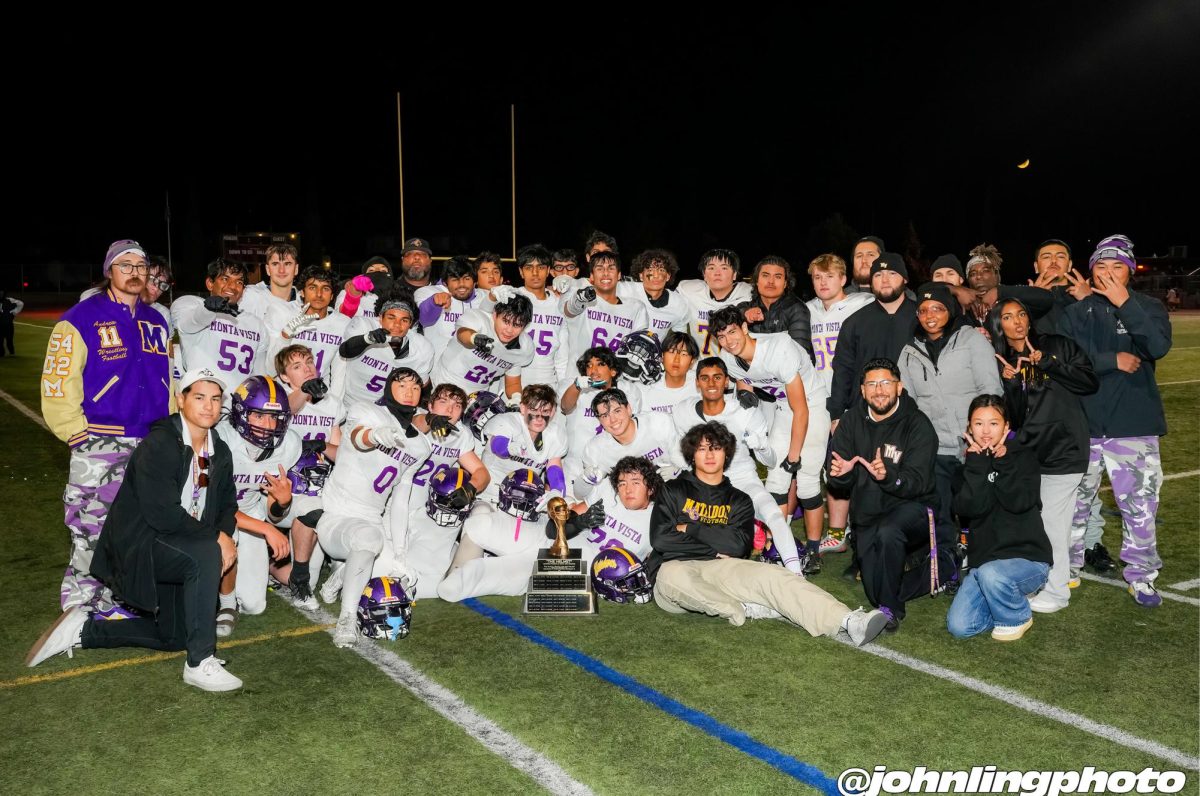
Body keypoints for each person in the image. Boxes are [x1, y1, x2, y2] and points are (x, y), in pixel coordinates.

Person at [25, 368, 243, 691]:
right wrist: (217, 538)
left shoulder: (219, 450)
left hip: (178, 545)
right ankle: (199, 662)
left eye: (215, 399)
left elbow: (227, 503)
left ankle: (85, 631)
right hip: (141, 546)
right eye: (199, 397)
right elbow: (163, 515)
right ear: (180, 400)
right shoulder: (161, 443)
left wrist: (224, 532)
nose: (209, 406)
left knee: (175, 636)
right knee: (207, 552)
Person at [646, 422, 888, 645]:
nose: (709, 455)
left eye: (716, 448)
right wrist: (713, 548)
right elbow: (661, 539)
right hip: (675, 572)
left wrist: (689, 528)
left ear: (727, 453)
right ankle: (740, 608)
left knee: (775, 575)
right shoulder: (673, 490)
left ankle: (849, 621)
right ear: (692, 454)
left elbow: (737, 546)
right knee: (671, 574)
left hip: (721, 569)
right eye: (702, 449)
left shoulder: (739, 499)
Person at [42, 239, 173, 611]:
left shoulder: (156, 319)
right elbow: (57, 380)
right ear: (109, 271)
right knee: (90, 526)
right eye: (125, 265)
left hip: (148, 442)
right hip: (100, 441)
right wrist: (76, 432)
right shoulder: (81, 317)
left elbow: (167, 378)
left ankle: (121, 595)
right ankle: (80, 604)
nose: (134, 272)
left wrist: (169, 429)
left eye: (140, 266)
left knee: (137, 526)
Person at [1059, 240, 1172, 607]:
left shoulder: (1148, 307)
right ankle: (1068, 568)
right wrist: (1111, 358)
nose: (1108, 272)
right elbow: (1065, 361)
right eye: (1101, 265)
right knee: (1074, 504)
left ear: (1130, 271)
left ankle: (1142, 576)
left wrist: (1126, 304)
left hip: (1133, 427)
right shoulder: (1079, 310)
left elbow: (1156, 347)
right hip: (1085, 426)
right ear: (1091, 269)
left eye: (1117, 266)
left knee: (1140, 509)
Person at [989, 297, 1097, 612]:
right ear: (999, 325)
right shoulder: (1001, 360)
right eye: (1007, 317)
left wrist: (1047, 362)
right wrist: (1011, 385)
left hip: (1065, 449)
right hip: (1031, 454)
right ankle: (1047, 584)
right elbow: (1018, 418)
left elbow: (1089, 382)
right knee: (1045, 522)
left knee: (1051, 521)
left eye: (1021, 314)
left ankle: (1057, 591)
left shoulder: (1057, 345)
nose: (1017, 321)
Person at [315, 367, 432, 646]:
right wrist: (375, 435)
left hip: (371, 520)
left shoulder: (421, 445)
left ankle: (341, 576)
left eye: (415, 387)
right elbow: (356, 436)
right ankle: (346, 618)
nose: (409, 391)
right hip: (337, 515)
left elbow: (400, 498)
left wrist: (401, 551)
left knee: (405, 580)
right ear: (389, 387)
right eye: (402, 385)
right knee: (368, 539)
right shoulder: (367, 410)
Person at [711, 306, 830, 570]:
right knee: (776, 478)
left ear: (744, 327)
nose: (729, 340)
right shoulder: (730, 357)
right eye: (721, 336)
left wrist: (794, 455)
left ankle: (813, 551)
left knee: (807, 479)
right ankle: (779, 543)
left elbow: (801, 409)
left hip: (810, 404)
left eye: (732, 332)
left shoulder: (779, 348)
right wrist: (744, 391)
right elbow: (744, 379)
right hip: (782, 407)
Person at [827, 358, 940, 632]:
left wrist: (890, 476)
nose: (879, 390)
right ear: (863, 391)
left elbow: (920, 483)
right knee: (875, 590)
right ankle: (936, 572)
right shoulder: (852, 420)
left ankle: (890, 612)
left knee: (889, 532)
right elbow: (837, 475)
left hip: (913, 509)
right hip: (868, 514)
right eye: (872, 384)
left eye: (886, 383)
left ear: (899, 387)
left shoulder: (918, 424)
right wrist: (841, 474)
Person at [897, 282, 1001, 565]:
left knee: (978, 507)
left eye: (938, 308)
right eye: (923, 309)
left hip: (974, 443)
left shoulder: (970, 339)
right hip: (936, 448)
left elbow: (990, 389)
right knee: (940, 511)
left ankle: (983, 562)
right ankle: (946, 564)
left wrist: (982, 436)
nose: (930, 315)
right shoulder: (909, 351)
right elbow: (908, 402)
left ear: (950, 310)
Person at [672, 358, 804, 574]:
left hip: (742, 480)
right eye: (705, 378)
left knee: (774, 515)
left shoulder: (746, 411)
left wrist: (761, 446)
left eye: (717, 377)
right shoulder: (683, 411)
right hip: (703, 485)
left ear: (727, 382)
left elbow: (770, 462)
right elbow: (680, 451)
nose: (711, 383)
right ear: (697, 383)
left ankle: (796, 575)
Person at [947, 395, 1052, 641]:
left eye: (993, 423)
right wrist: (977, 465)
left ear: (1006, 427)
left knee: (993, 574)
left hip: (1028, 561)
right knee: (960, 626)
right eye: (978, 423)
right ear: (968, 428)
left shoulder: (1024, 458)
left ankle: (1018, 615)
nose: (985, 431)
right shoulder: (965, 468)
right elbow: (970, 508)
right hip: (984, 566)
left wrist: (1003, 462)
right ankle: (1005, 594)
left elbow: (1018, 502)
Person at [210, 375, 300, 633]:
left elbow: (272, 514)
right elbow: (215, 506)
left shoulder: (288, 445)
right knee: (228, 534)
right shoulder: (220, 439)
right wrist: (267, 530)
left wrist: (281, 502)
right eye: (259, 416)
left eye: (274, 418)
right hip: (212, 517)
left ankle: (258, 572)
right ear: (240, 412)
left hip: (249, 511)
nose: (268, 425)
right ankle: (225, 602)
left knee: (254, 605)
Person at [805, 253, 872, 554]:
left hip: (850, 396)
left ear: (844, 279)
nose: (823, 282)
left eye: (829, 276)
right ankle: (837, 529)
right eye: (817, 277)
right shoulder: (806, 310)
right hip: (816, 396)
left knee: (851, 461)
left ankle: (856, 527)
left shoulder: (862, 305)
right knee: (826, 464)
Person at [827, 252, 917, 431]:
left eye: (892, 273)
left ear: (905, 279)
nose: (884, 280)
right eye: (878, 275)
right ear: (870, 282)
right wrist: (836, 414)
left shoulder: (922, 318)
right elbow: (842, 370)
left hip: (911, 415)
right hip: (864, 417)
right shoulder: (855, 322)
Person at [332, 289, 434, 409]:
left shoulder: (421, 347)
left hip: (390, 413)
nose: (397, 324)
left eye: (404, 320)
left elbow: (423, 387)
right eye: (391, 318)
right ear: (380, 317)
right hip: (351, 406)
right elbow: (345, 351)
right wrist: (367, 339)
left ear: (411, 324)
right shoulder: (364, 326)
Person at [548, 456, 659, 563]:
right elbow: (552, 530)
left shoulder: (658, 520)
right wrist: (580, 522)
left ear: (651, 489)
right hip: (576, 563)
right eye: (622, 484)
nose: (628, 490)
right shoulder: (608, 493)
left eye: (636, 483)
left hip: (614, 578)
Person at [172, 258, 268, 380]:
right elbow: (189, 323)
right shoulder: (192, 305)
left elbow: (259, 375)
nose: (233, 286)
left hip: (239, 397)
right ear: (210, 283)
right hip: (202, 395)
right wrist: (208, 309)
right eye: (225, 279)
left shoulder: (256, 324)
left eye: (239, 282)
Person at [578, 388, 677, 501]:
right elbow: (580, 495)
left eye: (617, 411)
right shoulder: (596, 449)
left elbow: (693, 457)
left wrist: (680, 469)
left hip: (672, 493)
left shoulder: (658, 423)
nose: (613, 420)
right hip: (631, 504)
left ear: (629, 409)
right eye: (605, 416)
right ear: (599, 420)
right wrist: (586, 480)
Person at [430, 292, 535, 398]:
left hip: (477, 397)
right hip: (445, 384)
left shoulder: (524, 347)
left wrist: (516, 401)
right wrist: (475, 338)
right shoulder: (480, 321)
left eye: (517, 325)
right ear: (494, 315)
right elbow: (462, 334)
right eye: (505, 321)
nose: (509, 330)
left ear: (525, 326)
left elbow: (513, 383)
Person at [563, 249, 649, 363]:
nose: (605, 273)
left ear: (619, 275)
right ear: (591, 276)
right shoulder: (582, 297)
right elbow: (570, 310)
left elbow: (638, 347)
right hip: (579, 377)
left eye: (611, 268)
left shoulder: (636, 308)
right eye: (599, 268)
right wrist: (579, 299)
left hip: (615, 377)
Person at [264, 265, 350, 381]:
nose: (319, 294)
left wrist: (333, 399)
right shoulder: (283, 313)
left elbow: (339, 373)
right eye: (312, 288)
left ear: (332, 296)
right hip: (285, 394)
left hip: (319, 394)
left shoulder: (342, 323)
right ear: (302, 292)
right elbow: (270, 370)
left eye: (325, 288)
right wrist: (285, 337)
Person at [676, 248, 753, 356]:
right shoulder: (689, 289)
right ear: (704, 274)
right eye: (711, 268)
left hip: (738, 368)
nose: (717, 273)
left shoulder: (749, 293)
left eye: (724, 268)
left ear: (734, 274)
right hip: (700, 366)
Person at [738, 255, 814, 361]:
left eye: (778, 277)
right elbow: (730, 317)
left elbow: (799, 355)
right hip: (753, 373)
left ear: (785, 284)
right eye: (765, 275)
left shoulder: (797, 309)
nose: (771, 281)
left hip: (790, 374)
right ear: (756, 281)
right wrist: (745, 315)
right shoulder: (747, 307)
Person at [514, 244, 570, 387]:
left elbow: (562, 357)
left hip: (549, 384)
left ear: (548, 271)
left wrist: (562, 387)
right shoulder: (512, 298)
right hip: (515, 382)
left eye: (540, 267)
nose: (535, 273)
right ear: (521, 272)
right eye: (528, 267)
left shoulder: (560, 305)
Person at [415, 255, 487, 360]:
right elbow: (425, 320)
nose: (461, 284)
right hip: (439, 370)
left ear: (475, 281)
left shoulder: (484, 297)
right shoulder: (428, 292)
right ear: (445, 282)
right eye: (455, 279)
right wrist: (434, 302)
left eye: (467, 278)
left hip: (474, 370)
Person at [618, 249, 690, 337]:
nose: (656, 275)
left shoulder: (678, 304)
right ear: (641, 275)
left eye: (661, 270)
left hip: (653, 350)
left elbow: (680, 339)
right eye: (650, 270)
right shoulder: (625, 290)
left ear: (668, 276)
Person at [637, 331, 698, 416]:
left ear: (692, 361)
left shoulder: (702, 384)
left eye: (684, 354)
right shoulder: (645, 387)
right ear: (662, 356)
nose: (677, 360)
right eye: (672, 352)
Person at [239, 243, 299, 321]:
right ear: (268, 269)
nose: (281, 270)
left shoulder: (305, 301)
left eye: (287, 264)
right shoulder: (251, 295)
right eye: (275, 264)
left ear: (296, 269)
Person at [335, 256, 394, 325]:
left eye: (383, 271)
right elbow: (343, 316)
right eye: (371, 270)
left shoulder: (396, 298)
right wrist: (354, 292)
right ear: (363, 275)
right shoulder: (348, 292)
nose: (377, 272)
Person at [0, 288, 24, 356]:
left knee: (9, 340)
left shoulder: (9, 300)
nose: (1, 295)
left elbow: (21, 303)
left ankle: (12, 353)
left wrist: (14, 312)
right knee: (0, 341)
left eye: (2, 293)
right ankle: (1, 354)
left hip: (8, 325)